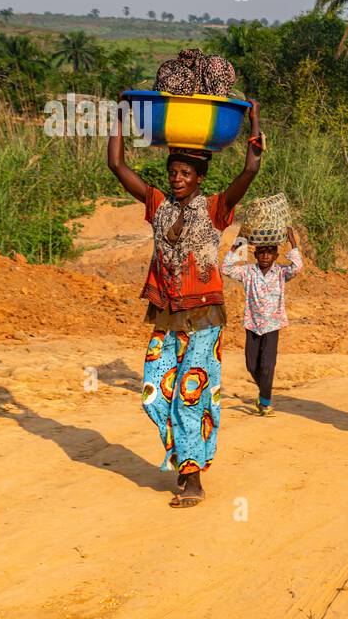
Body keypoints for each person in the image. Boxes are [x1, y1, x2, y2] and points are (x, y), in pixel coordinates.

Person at [107, 96, 263, 508]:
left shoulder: (215, 210)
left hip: (205, 317)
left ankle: (191, 477)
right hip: (167, 315)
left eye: (185, 173)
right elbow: (118, 167)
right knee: (155, 393)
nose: (177, 178)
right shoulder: (157, 204)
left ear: (199, 178)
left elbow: (249, 170)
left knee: (190, 395)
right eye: (173, 172)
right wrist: (120, 116)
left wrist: (254, 126)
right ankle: (186, 456)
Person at [222, 225, 304, 416]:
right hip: (252, 324)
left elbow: (298, 267)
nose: (265, 256)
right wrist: (239, 241)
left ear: (276, 256)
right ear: (255, 255)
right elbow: (225, 268)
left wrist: (292, 241)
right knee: (252, 365)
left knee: (267, 366)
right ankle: (265, 390)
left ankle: (265, 402)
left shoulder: (282, 273)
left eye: (270, 253)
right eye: (261, 252)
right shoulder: (248, 272)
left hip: (272, 325)